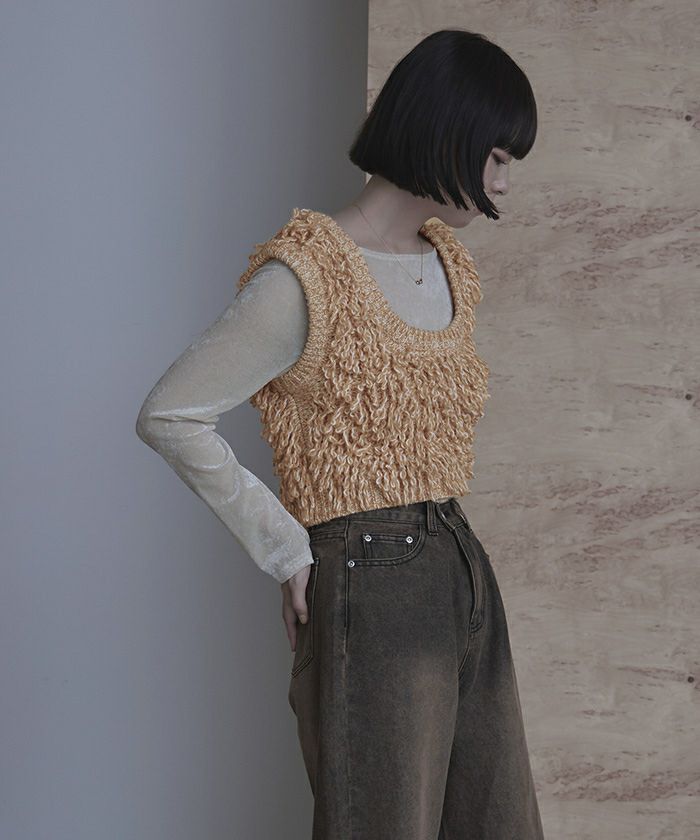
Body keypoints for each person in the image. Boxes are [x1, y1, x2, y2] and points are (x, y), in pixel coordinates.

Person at [136, 27, 544, 840]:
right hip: (370, 580)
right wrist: (286, 548)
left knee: (499, 824)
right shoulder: (308, 275)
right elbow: (171, 414)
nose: (503, 182)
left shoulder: (449, 266)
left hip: (462, 566)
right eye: (498, 157)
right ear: (447, 131)